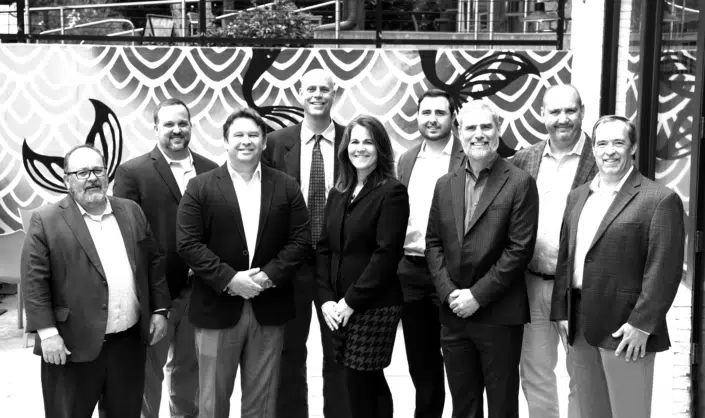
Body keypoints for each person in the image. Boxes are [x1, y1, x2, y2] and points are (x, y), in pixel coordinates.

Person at [176, 108, 310, 418]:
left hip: (269, 306)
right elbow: (188, 243)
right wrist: (230, 280)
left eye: (253, 135)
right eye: (238, 135)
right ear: (225, 141)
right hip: (216, 307)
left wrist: (266, 277)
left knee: (261, 404)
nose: (246, 141)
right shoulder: (200, 187)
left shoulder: (286, 185)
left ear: (264, 142)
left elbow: (301, 240)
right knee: (212, 403)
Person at [550, 115, 685, 418]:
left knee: (628, 413)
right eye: (602, 143)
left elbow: (664, 271)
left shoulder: (659, 200)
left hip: (627, 329)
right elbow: (565, 258)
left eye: (618, 143)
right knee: (590, 412)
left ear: (632, 147)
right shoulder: (577, 196)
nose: (609, 150)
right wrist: (561, 311)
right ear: (593, 149)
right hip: (580, 325)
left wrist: (642, 324)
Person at [22, 145, 171, 418]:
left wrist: (160, 310)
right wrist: (47, 333)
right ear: (67, 180)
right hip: (71, 346)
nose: (91, 178)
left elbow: (154, 262)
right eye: (81, 172)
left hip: (128, 344)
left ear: (107, 174)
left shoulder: (131, 211)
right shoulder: (46, 220)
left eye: (97, 170)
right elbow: (34, 281)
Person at [425, 101, 539, 418]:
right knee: (464, 406)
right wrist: (450, 294)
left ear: (498, 130)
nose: (479, 134)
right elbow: (433, 244)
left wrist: (476, 296)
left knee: (502, 407)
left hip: (498, 314)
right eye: (471, 127)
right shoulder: (445, 184)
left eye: (486, 126)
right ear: (460, 132)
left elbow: (519, 250)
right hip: (454, 316)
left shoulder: (520, 182)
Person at [113, 98, 218, 418]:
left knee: (189, 369)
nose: (176, 129)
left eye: (182, 123)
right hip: (155, 292)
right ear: (155, 127)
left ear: (191, 126)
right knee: (147, 371)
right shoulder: (132, 172)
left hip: (199, 289)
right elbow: (126, 236)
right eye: (169, 124)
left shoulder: (211, 169)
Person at [263, 68, 350, 418]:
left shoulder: (352, 139)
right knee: (288, 351)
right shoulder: (275, 143)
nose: (317, 95)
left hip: (338, 265)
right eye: (310, 89)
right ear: (300, 93)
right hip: (292, 264)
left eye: (324, 89)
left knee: (339, 351)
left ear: (334, 94)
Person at [511, 84, 596, 418]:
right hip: (532, 282)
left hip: (579, 288)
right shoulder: (524, 159)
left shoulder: (601, 158)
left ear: (582, 112)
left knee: (583, 372)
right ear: (542, 114)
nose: (563, 118)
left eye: (570, 110)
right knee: (535, 372)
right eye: (555, 111)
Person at [316, 115, 409, 418]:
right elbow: (325, 248)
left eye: (368, 142)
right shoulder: (338, 192)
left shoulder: (392, 191)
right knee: (356, 380)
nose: (360, 148)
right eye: (354, 141)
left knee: (362, 380)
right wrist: (327, 299)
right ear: (345, 148)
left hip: (373, 305)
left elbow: (386, 254)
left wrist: (350, 302)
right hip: (337, 305)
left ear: (380, 148)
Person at [396, 88, 465, 418]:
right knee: (421, 361)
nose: (432, 119)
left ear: (453, 117)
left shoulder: (467, 155)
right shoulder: (407, 159)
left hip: (453, 271)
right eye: (426, 112)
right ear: (417, 117)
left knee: (460, 359)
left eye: (440, 112)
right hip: (411, 270)